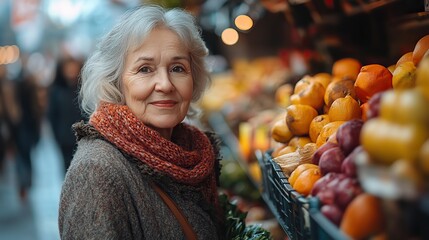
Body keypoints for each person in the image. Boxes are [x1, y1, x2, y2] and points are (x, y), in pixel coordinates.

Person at [58, 4, 224, 240]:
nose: (165, 84)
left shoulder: (191, 155)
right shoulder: (96, 172)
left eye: (178, 68)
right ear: (116, 82)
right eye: (145, 69)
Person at [47, 57, 86, 173]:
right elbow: (52, 116)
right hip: (65, 139)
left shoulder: (83, 89)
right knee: (67, 170)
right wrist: (58, 136)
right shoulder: (57, 91)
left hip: (83, 138)